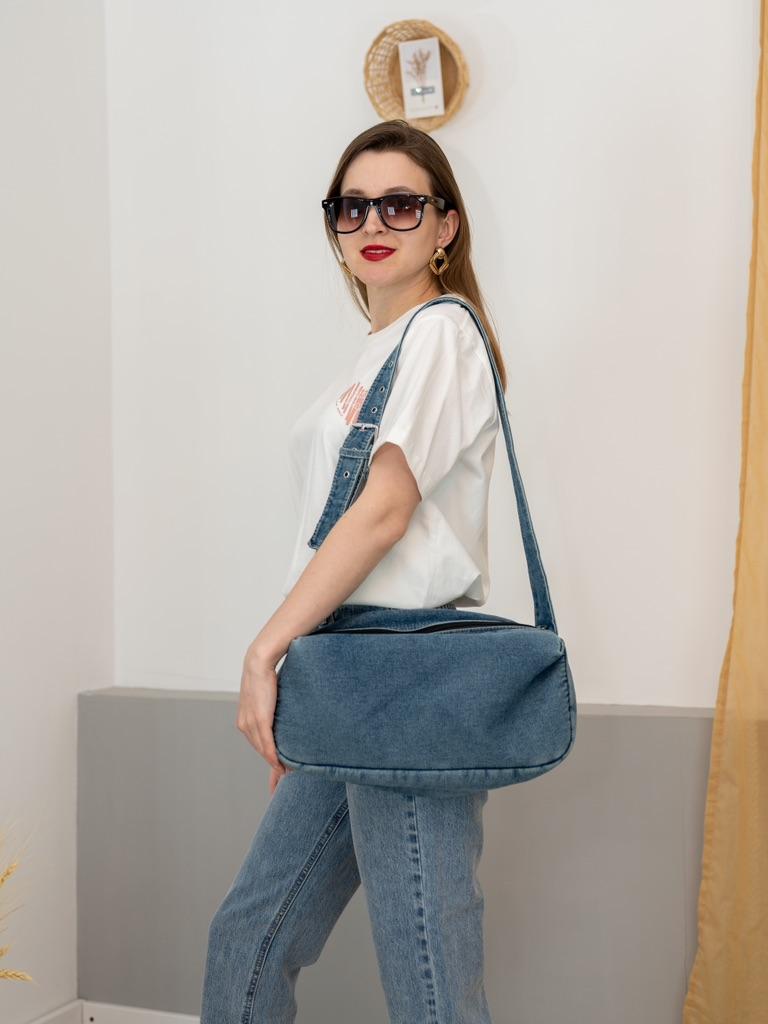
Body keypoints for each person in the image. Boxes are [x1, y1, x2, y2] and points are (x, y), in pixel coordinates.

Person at [200, 118, 508, 1024]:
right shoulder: (380, 352)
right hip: (347, 676)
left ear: (445, 225)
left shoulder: (442, 333)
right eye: (352, 206)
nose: (374, 222)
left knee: (428, 982)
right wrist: (307, 683)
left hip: (406, 682)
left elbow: (383, 510)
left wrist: (265, 651)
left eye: (401, 204)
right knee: (249, 938)